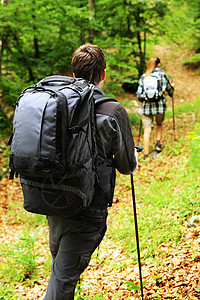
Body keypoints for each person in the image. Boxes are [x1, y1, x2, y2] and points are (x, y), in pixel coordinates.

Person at [43, 44, 138, 299]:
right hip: (87, 211)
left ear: (73, 74)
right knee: (62, 280)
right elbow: (127, 166)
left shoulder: (56, 105)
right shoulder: (113, 111)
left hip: (53, 203)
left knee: (61, 273)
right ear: (103, 74)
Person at [137, 57, 175, 162]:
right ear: (158, 64)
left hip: (146, 108)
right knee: (159, 123)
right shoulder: (163, 75)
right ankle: (158, 143)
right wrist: (172, 87)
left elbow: (139, 95)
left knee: (147, 130)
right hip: (160, 106)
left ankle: (145, 155)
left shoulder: (144, 76)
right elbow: (170, 91)